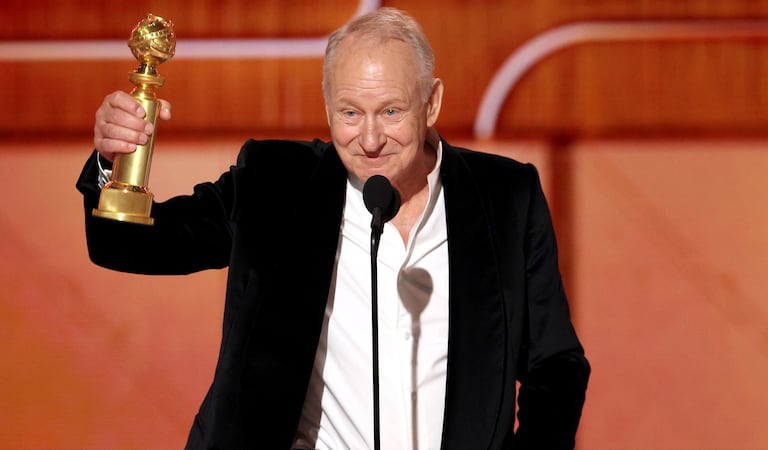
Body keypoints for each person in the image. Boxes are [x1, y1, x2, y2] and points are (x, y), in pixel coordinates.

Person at [77, 7, 589, 449]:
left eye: (391, 111)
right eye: (350, 112)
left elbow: (556, 365)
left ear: (431, 102)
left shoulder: (506, 197)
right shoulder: (273, 185)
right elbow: (126, 245)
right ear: (327, 107)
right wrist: (112, 162)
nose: (370, 139)